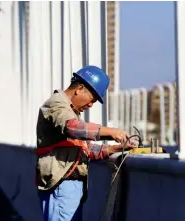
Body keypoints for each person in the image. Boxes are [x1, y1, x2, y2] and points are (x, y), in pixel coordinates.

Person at [36, 65, 137, 221]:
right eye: (92, 99)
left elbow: (85, 149)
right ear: (80, 89)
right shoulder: (57, 104)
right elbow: (73, 129)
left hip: (68, 186)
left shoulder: (69, 111)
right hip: (61, 185)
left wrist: (116, 148)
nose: (91, 105)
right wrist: (111, 131)